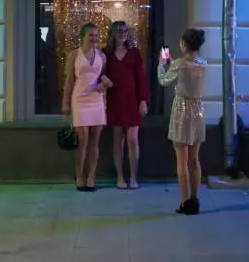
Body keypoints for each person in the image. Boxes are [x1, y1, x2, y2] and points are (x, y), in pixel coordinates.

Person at [157, 28, 207, 215]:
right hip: (198, 110)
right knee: (194, 160)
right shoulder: (203, 63)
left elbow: (164, 80)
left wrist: (162, 64)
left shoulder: (179, 64)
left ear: (184, 44)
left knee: (182, 160)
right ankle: (196, 199)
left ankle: (185, 202)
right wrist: (172, 63)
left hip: (182, 110)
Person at [62, 23, 113, 192]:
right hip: (79, 99)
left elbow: (103, 76)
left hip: (96, 100)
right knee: (82, 140)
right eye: (91, 35)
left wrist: (103, 83)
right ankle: (79, 175)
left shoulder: (101, 56)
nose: (94, 38)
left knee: (95, 141)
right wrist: (65, 103)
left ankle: (91, 176)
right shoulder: (74, 55)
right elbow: (69, 81)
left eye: (96, 35)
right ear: (83, 36)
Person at [103, 21, 149, 190]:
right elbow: (97, 72)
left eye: (124, 31)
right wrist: (103, 78)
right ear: (112, 33)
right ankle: (120, 177)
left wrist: (143, 100)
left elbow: (141, 78)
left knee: (132, 139)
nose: (122, 34)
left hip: (132, 100)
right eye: (119, 31)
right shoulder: (106, 53)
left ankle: (134, 177)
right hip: (115, 99)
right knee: (117, 140)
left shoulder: (134, 52)